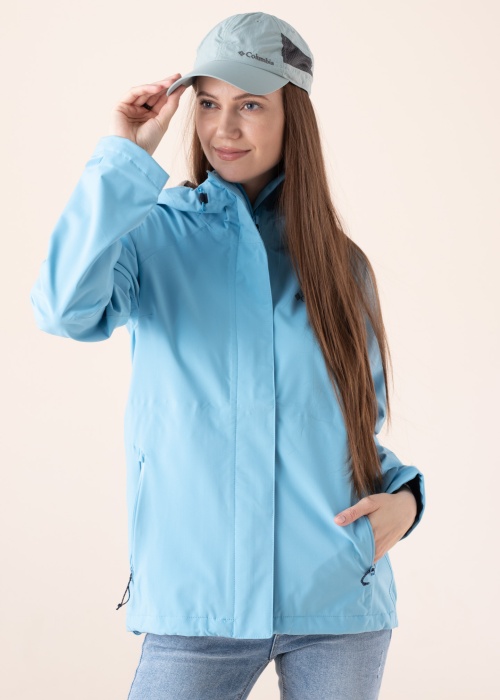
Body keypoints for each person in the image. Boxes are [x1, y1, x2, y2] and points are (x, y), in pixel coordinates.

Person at [30, 11, 425, 700]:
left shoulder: (342, 266)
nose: (224, 128)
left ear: (293, 116)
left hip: (336, 600)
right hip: (198, 604)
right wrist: (123, 156)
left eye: (250, 105)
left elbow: (346, 429)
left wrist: (408, 499)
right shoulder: (153, 235)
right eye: (209, 103)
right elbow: (64, 309)